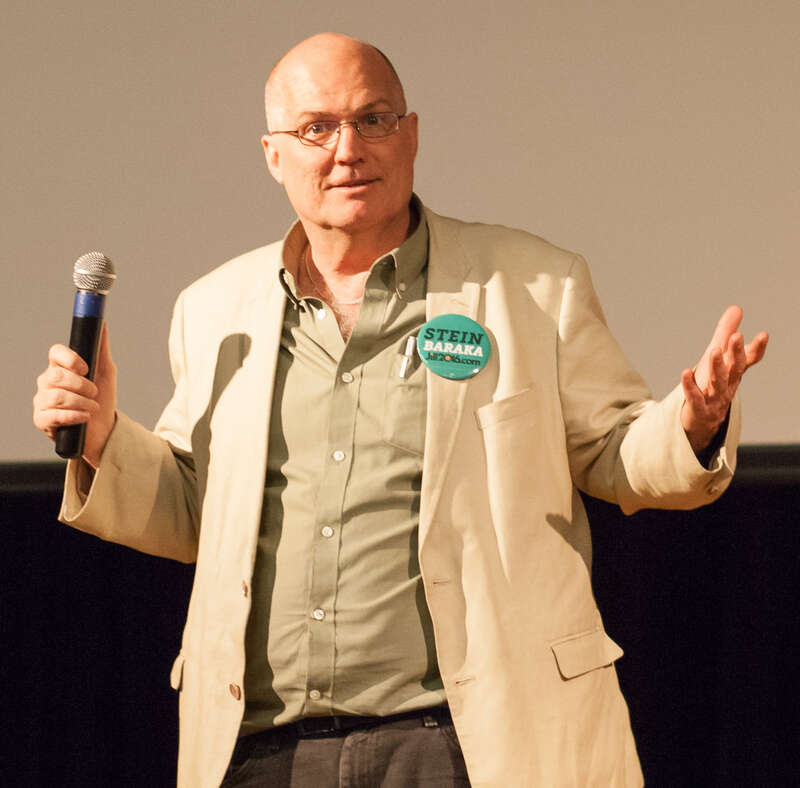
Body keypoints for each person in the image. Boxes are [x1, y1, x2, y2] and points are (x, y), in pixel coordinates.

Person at [33, 33, 768, 788]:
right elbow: (196, 512)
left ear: (411, 135)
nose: (348, 149)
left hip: (464, 741)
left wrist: (693, 422)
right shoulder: (214, 308)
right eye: (316, 128)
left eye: (373, 120)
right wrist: (103, 441)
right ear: (273, 155)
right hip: (263, 747)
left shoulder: (532, 286)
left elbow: (615, 453)